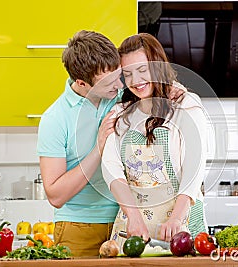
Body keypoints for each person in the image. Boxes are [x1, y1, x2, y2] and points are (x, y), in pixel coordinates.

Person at [37, 30, 185, 257]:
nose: (120, 84)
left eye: (119, 74)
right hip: (79, 228)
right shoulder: (55, 119)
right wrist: (98, 148)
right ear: (82, 83)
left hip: (127, 222)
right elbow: (55, 196)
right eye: (109, 82)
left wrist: (168, 88)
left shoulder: (119, 95)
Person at [101, 33, 208, 250]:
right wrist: (133, 217)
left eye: (142, 70)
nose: (136, 81)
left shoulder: (186, 106)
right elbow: (111, 169)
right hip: (132, 230)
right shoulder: (120, 113)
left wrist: (176, 219)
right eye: (128, 74)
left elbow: (195, 168)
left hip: (181, 226)